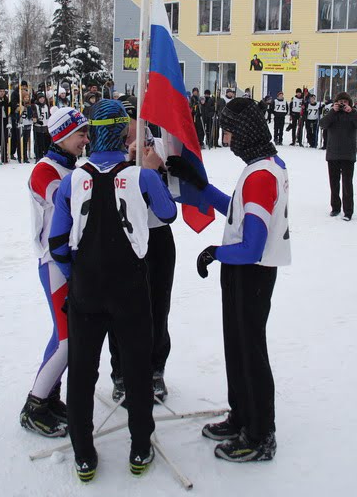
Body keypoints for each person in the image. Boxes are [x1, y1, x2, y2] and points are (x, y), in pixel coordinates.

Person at [48, 99, 177, 482]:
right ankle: (140, 446)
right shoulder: (141, 176)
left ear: (92, 134)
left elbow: (57, 243)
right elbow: (168, 213)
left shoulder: (72, 180)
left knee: (82, 372)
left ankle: (83, 453)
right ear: (123, 133)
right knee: (137, 368)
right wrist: (150, 173)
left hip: (87, 286)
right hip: (130, 286)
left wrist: (76, 274)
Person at [167, 97, 291, 462]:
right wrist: (199, 185)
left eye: (228, 132)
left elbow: (251, 247)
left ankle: (260, 434)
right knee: (237, 347)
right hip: (246, 272)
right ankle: (241, 416)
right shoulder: (265, 164)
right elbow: (236, 211)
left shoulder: (261, 175)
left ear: (245, 133)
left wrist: (215, 252)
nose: (225, 139)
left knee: (250, 352)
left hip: (251, 272)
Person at [20, 106, 89, 438]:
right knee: (68, 339)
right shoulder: (44, 170)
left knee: (63, 335)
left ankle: (48, 396)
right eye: (81, 134)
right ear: (62, 136)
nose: (86, 140)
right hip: (54, 264)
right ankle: (34, 407)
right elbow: (67, 202)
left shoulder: (70, 167)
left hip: (67, 261)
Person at [109, 100, 177, 405]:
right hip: (122, 236)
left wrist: (159, 168)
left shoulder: (160, 146)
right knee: (121, 308)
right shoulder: (110, 148)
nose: (127, 125)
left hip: (157, 234)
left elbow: (178, 193)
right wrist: (129, 162)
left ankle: (154, 369)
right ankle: (121, 373)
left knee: (158, 306)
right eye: (121, 119)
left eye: (131, 118)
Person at [319, 91, 357, 221]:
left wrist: (351, 112)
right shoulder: (332, 113)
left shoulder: (353, 113)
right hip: (333, 154)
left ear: (349, 103)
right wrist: (332, 112)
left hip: (348, 154)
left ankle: (348, 211)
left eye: (345, 102)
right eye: (340, 102)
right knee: (334, 183)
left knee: (347, 184)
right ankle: (335, 208)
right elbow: (322, 124)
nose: (342, 104)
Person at [33, 92, 50, 162]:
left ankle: (46, 155)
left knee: (46, 142)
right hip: (38, 127)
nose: (42, 100)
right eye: (40, 98)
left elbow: (48, 114)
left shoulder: (46, 105)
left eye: (43, 98)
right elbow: (34, 115)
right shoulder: (35, 106)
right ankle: (38, 156)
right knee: (38, 143)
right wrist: (37, 121)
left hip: (45, 126)